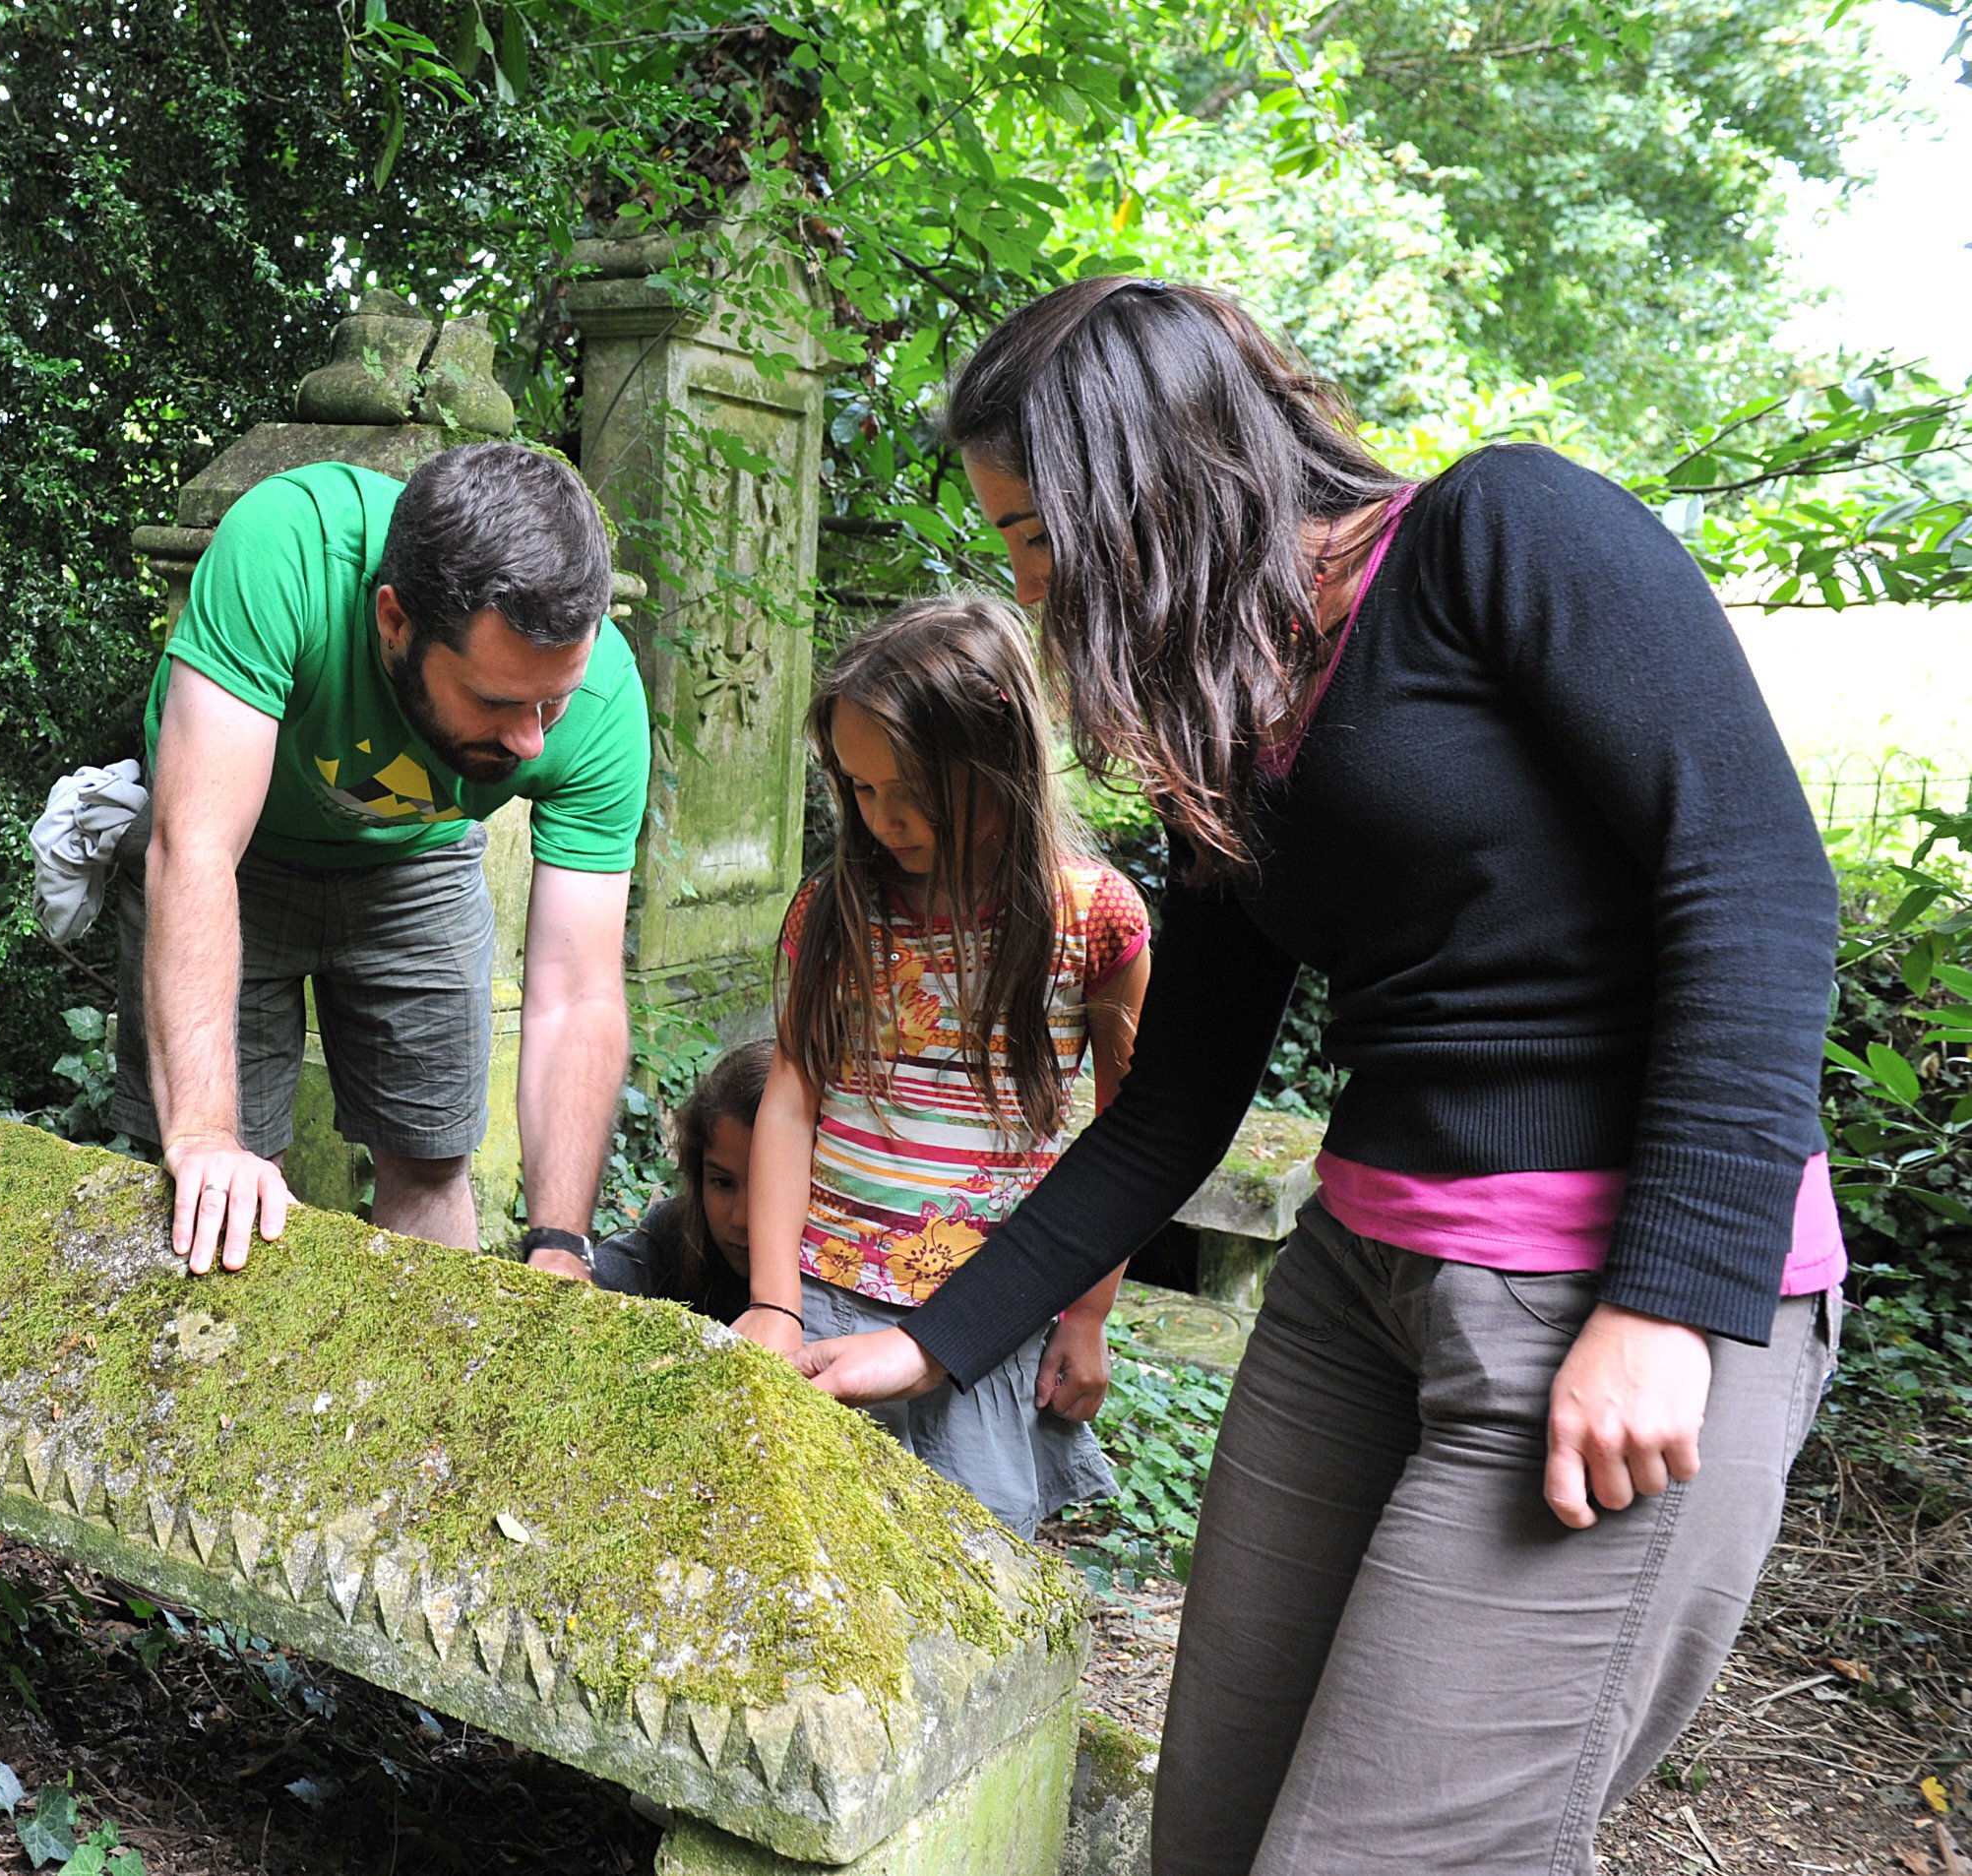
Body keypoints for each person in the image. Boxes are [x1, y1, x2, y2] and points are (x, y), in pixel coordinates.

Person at [799, 279, 1846, 1876]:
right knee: (1209, 1836)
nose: (1020, 580)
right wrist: (938, 1340)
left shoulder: (1501, 533)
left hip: (1610, 1297)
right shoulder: (1221, 722)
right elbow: (1167, 1108)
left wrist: (1667, 1299)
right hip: (1354, 1289)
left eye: (1026, 534)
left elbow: (1751, 878)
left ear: (1133, 490)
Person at [111, 442, 649, 1282]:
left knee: (433, 1160)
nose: (532, 738)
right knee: (213, 1181)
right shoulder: (287, 546)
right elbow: (197, 846)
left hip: (419, 870)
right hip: (236, 860)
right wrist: (207, 1136)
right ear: (394, 620)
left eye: (556, 698)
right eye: (497, 701)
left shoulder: (606, 700)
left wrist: (558, 1244)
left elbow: (576, 991)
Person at [743, 595, 1150, 1537]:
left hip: (995, 1307)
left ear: (995, 760)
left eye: (910, 790)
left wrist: (1085, 1317)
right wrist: (773, 1301)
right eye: (859, 788)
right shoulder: (837, 911)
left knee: (969, 1551)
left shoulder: (1094, 923)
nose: (882, 819)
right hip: (827, 1293)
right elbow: (791, 1100)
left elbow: (1126, 1145)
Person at [589, 1037, 771, 1324]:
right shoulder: (679, 1235)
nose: (741, 1219)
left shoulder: (852, 1285)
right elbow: (596, 1281)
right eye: (723, 1183)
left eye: (768, 1192)